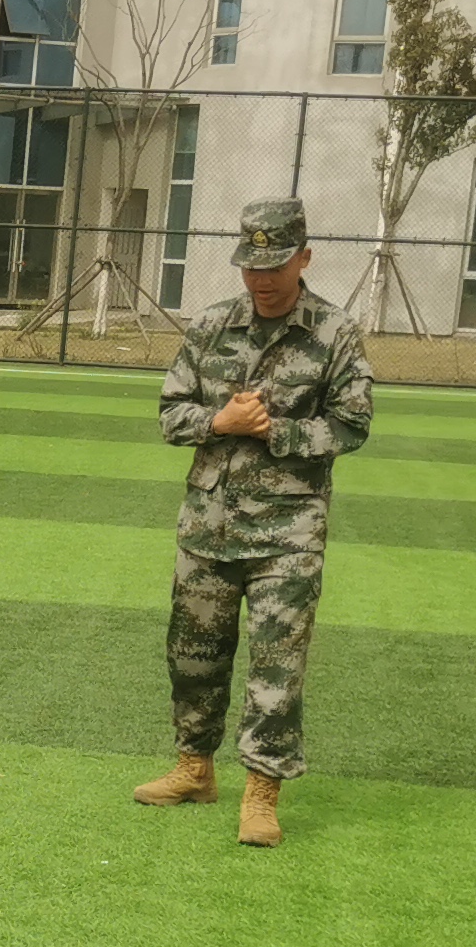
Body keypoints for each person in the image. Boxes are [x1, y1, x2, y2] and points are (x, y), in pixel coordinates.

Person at [131, 197, 373, 847]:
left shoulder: (334, 332)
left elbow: (352, 424)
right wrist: (221, 421)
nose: (262, 279)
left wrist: (277, 431)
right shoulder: (211, 325)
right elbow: (170, 414)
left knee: (277, 668)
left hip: (288, 532)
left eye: (275, 266)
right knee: (193, 657)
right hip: (207, 525)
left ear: (304, 258)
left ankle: (261, 795)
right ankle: (194, 770)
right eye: (252, 266)